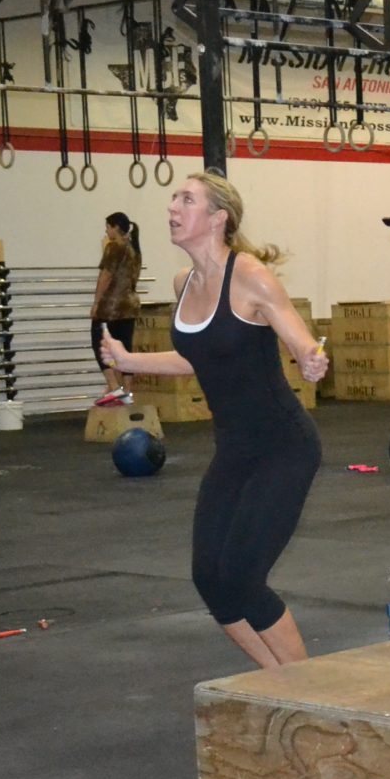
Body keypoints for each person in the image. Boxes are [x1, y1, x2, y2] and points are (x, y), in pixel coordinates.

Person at [99, 173, 328, 669]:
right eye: (173, 199)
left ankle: (308, 690)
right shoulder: (183, 284)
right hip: (234, 451)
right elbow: (199, 357)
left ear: (218, 218)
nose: (172, 208)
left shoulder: (250, 276)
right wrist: (129, 359)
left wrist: (311, 359)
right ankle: (278, 682)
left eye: (186, 199)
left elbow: (300, 340)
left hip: (283, 447)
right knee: (210, 578)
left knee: (243, 578)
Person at [92, 212, 142, 407]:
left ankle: (114, 388)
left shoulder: (114, 247)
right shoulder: (134, 248)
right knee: (125, 348)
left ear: (116, 227)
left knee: (100, 345)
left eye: (108, 227)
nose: (106, 231)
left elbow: (106, 276)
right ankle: (127, 392)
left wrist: (96, 302)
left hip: (111, 308)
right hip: (129, 306)